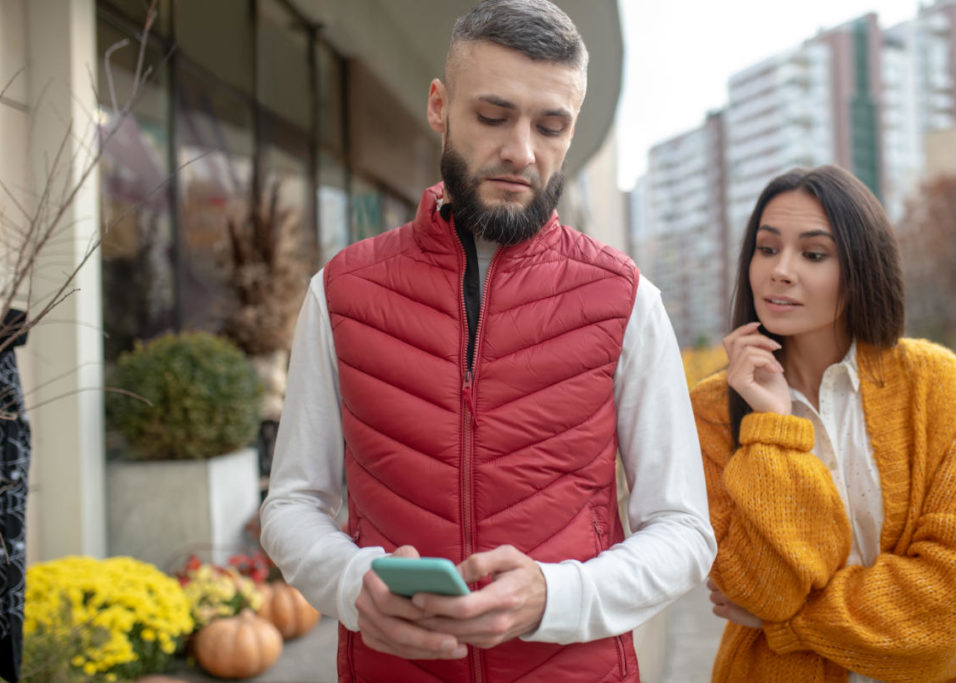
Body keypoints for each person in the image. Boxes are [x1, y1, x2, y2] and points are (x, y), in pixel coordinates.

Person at [259, 1, 716, 681]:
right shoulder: (340, 292)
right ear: (440, 106)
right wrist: (352, 584)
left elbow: (684, 532)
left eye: (550, 125)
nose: (521, 151)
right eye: (493, 116)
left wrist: (554, 596)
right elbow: (293, 503)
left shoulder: (628, 301)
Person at [691, 164, 956, 682]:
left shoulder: (936, 387)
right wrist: (774, 426)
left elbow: (955, 614)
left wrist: (791, 622)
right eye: (767, 248)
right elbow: (756, 588)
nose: (780, 270)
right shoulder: (710, 410)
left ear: (862, 267)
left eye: (813, 254)